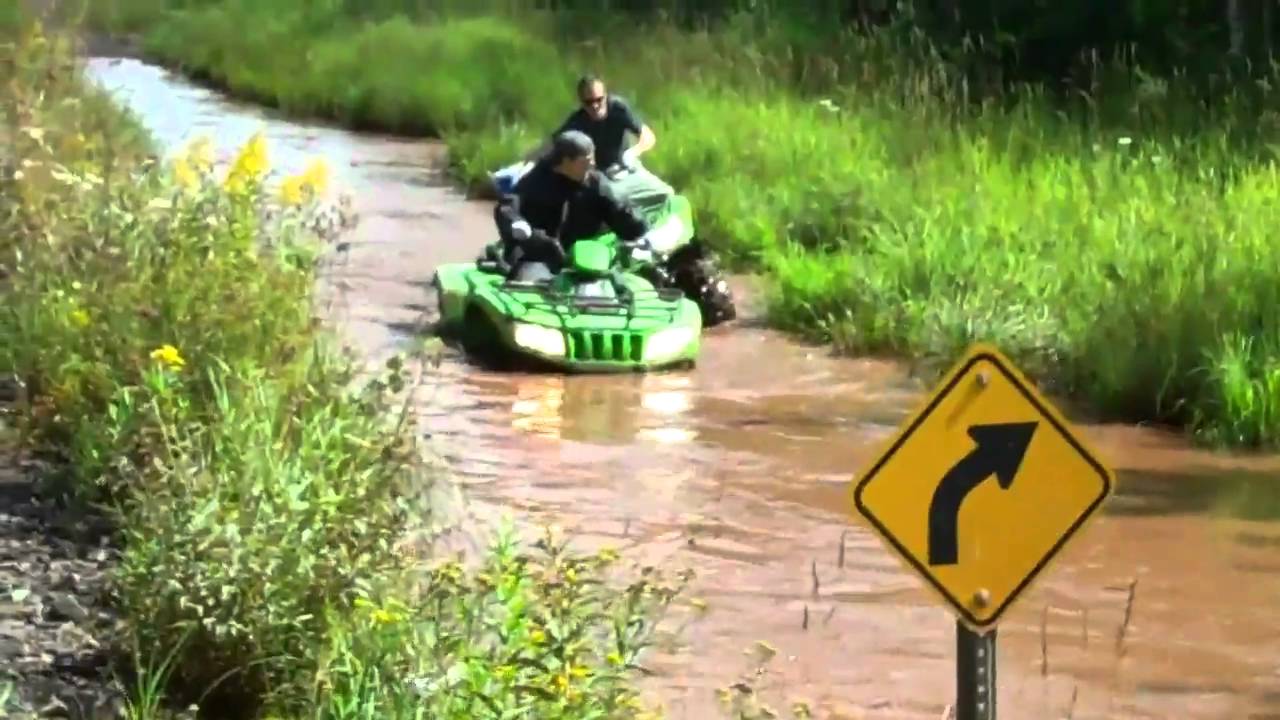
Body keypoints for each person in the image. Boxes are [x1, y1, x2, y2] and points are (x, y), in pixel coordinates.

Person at [496, 130, 650, 282]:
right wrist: (516, 223)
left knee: (628, 284)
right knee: (529, 283)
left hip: (586, 262)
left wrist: (640, 229)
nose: (592, 165)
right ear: (565, 161)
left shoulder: (594, 183)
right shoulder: (536, 181)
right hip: (538, 258)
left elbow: (618, 210)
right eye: (586, 161)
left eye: (592, 159)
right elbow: (507, 207)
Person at [524, 74, 675, 213]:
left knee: (666, 193)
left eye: (599, 100)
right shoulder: (578, 120)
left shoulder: (618, 108)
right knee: (613, 203)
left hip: (626, 167)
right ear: (582, 103)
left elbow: (648, 136)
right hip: (600, 175)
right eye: (589, 102)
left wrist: (634, 152)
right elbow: (552, 144)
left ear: (606, 96)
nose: (595, 106)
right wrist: (529, 160)